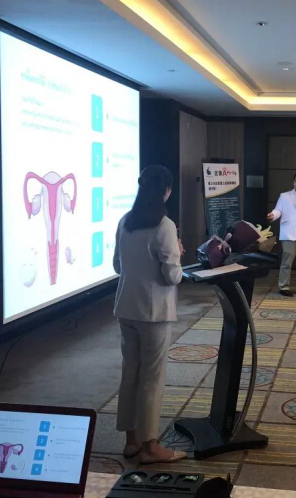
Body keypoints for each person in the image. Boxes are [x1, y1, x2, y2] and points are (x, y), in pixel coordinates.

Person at [113, 165, 186, 464]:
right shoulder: (164, 225)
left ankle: (131, 440)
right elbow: (173, 276)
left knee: (130, 373)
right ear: (166, 191)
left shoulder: (125, 221)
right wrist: (177, 252)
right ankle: (151, 446)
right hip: (154, 312)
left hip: (126, 307)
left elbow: (117, 266)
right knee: (151, 379)